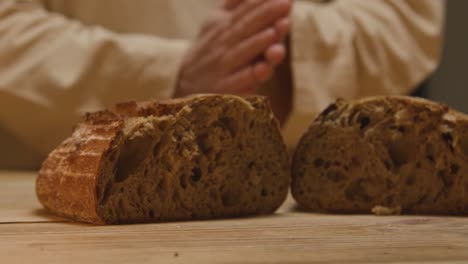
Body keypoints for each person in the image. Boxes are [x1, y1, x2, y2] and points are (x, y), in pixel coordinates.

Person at [0, 0, 445, 169]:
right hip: (68, 218)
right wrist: (172, 76)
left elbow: (408, 16)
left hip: (305, 209)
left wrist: (284, 57)